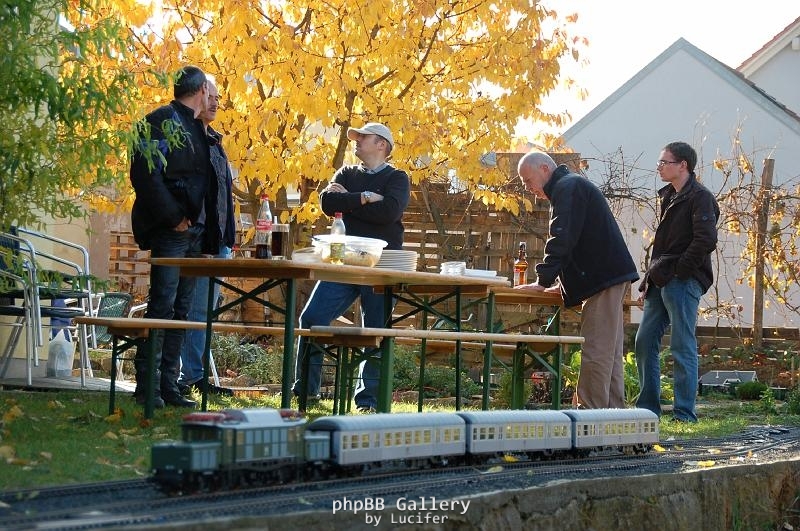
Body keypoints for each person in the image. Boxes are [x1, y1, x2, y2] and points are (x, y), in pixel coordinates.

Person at [292, 122, 410, 412]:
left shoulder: (398, 178)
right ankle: (306, 392)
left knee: (376, 331)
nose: (356, 142)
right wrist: (367, 197)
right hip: (343, 264)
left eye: (363, 138)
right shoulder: (346, 172)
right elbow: (328, 204)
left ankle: (368, 401)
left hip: (382, 267)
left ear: (381, 144)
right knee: (312, 319)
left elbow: (389, 212)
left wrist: (350, 202)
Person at [515, 151, 639, 409]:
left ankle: (589, 414)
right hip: (610, 275)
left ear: (545, 169)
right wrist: (562, 285)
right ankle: (614, 414)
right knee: (609, 352)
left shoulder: (567, 187)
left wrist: (543, 279)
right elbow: (581, 240)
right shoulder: (570, 186)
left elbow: (563, 237)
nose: (528, 189)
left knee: (596, 349)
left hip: (604, 278)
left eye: (528, 181)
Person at [129, 65, 221, 409]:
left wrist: (209, 232)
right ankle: (147, 386)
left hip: (196, 235)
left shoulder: (200, 128)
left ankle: (169, 386)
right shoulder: (159, 120)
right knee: (162, 306)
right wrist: (175, 218)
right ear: (200, 92)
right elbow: (145, 174)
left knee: (182, 311)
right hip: (171, 231)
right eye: (210, 94)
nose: (212, 99)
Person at [635, 141, 719, 422]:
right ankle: (648, 411)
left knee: (682, 345)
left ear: (683, 165)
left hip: (682, 280)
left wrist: (681, 272)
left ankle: (685, 413)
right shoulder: (669, 196)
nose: (659, 167)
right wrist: (648, 279)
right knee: (644, 340)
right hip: (661, 278)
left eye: (664, 162)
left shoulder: (700, 197)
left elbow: (705, 240)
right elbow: (662, 247)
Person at [177, 79, 236, 396]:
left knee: (205, 311)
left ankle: (194, 375)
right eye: (209, 96)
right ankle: (190, 377)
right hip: (199, 242)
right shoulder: (188, 138)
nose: (214, 102)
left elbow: (222, 196)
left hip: (219, 242)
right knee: (195, 310)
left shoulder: (214, 141)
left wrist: (229, 236)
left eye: (218, 97)